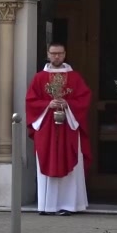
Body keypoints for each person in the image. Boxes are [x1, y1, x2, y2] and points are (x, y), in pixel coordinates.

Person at [26, 42, 92, 216]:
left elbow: (84, 99)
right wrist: (48, 104)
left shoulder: (74, 77)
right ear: (48, 54)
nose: (56, 56)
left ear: (65, 54)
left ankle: (69, 205)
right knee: (46, 160)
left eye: (60, 53)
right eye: (53, 53)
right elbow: (30, 101)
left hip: (68, 127)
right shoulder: (39, 78)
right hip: (46, 127)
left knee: (70, 161)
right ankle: (47, 206)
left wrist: (67, 103)